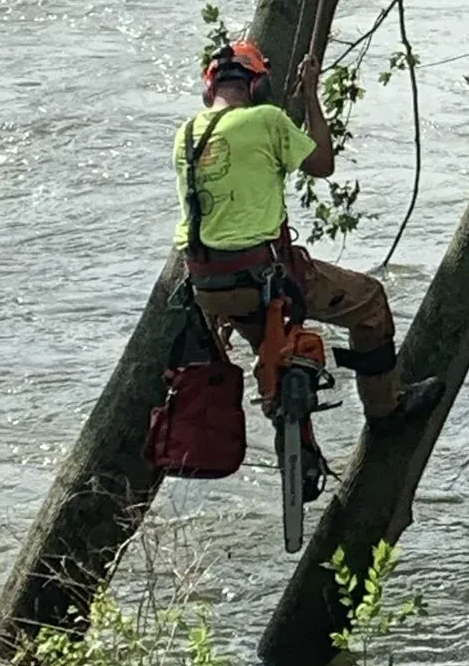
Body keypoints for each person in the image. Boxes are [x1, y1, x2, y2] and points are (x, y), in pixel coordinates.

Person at [174, 39, 441, 428]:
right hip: (261, 278)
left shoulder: (185, 135)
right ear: (256, 86)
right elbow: (322, 164)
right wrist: (311, 96)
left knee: (274, 358)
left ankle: (291, 438)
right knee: (369, 302)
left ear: (210, 88)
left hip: (210, 287)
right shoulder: (265, 119)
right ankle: (385, 409)